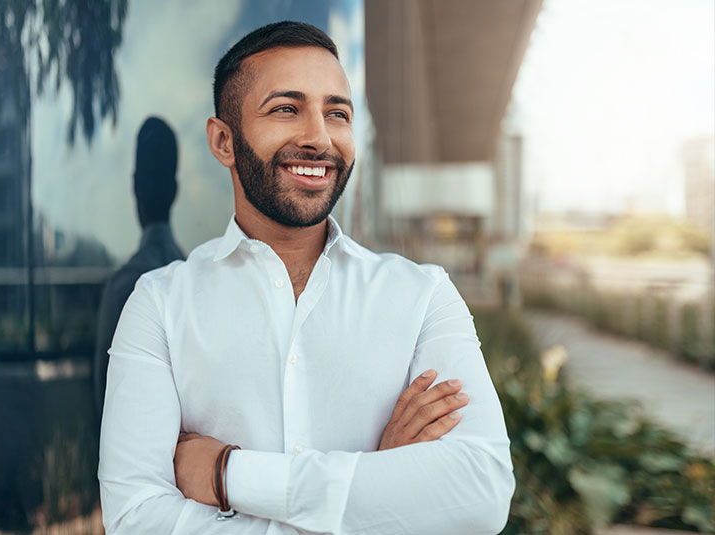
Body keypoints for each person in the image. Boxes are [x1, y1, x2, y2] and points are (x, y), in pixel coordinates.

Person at [98, 21, 514, 535]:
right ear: (224, 141)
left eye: (336, 113)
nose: (319, 137)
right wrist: (379, 494)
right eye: (286, 109)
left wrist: (228, 474)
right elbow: (136, 520)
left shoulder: (423, 296)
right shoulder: (158, 305)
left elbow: (482, 493)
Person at [93, 116, 185, 422]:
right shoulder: (195, 281)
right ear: (175, 191)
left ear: (134, 187)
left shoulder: (123, 287)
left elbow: (105, 411)